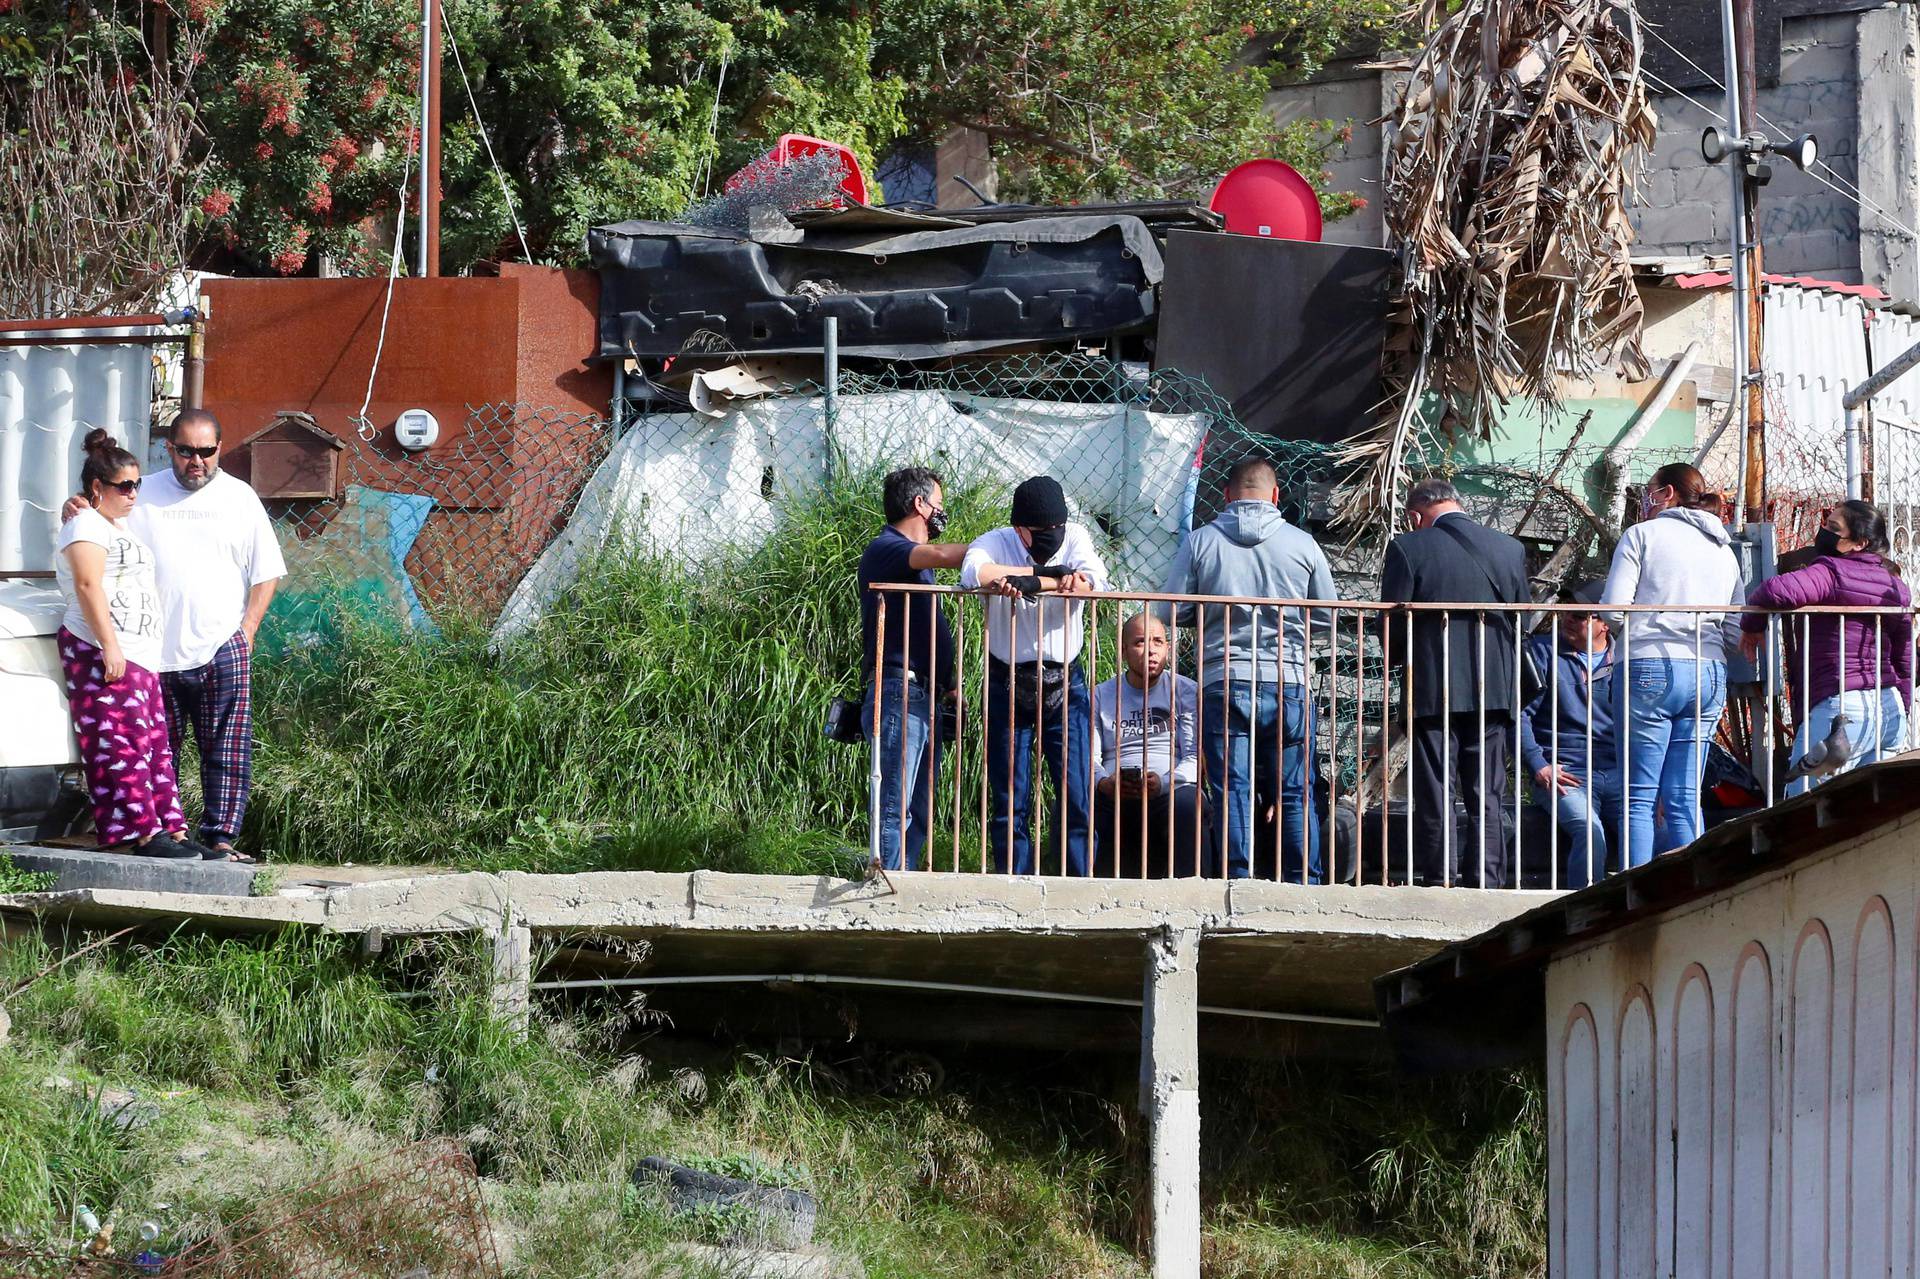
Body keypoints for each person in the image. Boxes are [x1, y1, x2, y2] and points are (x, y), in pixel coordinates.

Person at [68, 410, 285, 860]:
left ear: (220, 449)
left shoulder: (239, 498)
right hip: (151, 651)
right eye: (186, 451)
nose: (196, 461)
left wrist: (247, 630)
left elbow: (267, 572)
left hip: (220, 642)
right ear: (170, 449)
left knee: (226, 748)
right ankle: (169, 835)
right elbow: (97, 519)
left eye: (206, 452)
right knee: (155, 750)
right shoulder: (141, 492)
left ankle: (221, 840)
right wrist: (75, 505)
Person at [1158, 457, 1336, 881]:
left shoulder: (1201, 541)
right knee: (1295, 792)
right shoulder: (1303, 544)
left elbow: (1170, 609)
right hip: (1290, 678)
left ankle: (1237, 881)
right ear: (1276, 496)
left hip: (1225, 677)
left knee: (1232, 788)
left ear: (1227, 496)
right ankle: (1303, 883)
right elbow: (1328, 617)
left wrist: (1207, 617)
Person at [55, 431, 201, 858]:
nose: (134, 493)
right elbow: (87, 584)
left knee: (152, 743)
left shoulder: (114, 525)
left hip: (139, 652)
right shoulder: (84, 524)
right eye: (125, 486)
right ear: (98, 487)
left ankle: (171, 830)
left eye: (137, 483)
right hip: (100, 647)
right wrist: (109, 645)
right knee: (120, 742)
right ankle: (141, 833)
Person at [1380, 477, 1530, 888]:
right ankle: (1487, 883)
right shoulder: (1510, 547)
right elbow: (1524, 619)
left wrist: (1395, 657)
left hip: (1432, 685)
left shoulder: (1408, 546)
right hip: (1494, 687)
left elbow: (1391, 624)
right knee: (1488, 793)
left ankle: (1439, 881)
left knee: (1436, 790)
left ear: (1415, 516)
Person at [961, 475, 1108, 875]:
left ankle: (1082, 884)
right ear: (1019, 529)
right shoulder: (996, 539)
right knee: (1011, 796)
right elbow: (973, 570)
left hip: (1066, 680)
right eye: (1041, 532)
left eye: (1056, 529)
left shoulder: (1076, 537)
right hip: (1007, 679)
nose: (1052, 537)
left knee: (1078, 792)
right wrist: (1048, 576)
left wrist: (1035, 580)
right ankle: (1014, 885)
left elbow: (1092, 581)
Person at [1600, 462, 1744, 866]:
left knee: (1638, 795)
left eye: (1649, 491)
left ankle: (1632, 898)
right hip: (1710, 670)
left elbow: (1613, 610)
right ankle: (1693, 893)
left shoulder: (1642, 535)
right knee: (1683, 795)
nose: (1644, 500)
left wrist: (1626, 635)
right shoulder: (1723, 549)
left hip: (1650, 662)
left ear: (1666, 494)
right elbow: (1734, 625)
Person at [1739, 499, 1911, 795]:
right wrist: (1903, 707)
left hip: (1841, 707)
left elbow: (1773, 590)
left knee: (1799, 808)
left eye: (1833, 528)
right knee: (1870, 810)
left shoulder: (1832, 572)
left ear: (1859, 543)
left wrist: (1752, 627)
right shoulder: (1894, 586)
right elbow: (1904, 657)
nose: (1823, 532)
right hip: (1888, 708)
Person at [858, 466, 970, 870]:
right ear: (919, 504)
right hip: (897, 694)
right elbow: (941, 554)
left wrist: (951, 685)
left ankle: (903, 877)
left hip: (925, 695)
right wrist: (995, 553)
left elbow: (929, 631)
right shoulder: (886, 547)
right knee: (894, 803)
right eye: (938, 503)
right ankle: (883, 883)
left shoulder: (918, 568)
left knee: (919, 809)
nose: (943, 511)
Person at [1089, 613, 1210, 877]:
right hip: (1112, 789)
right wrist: (1105, 783)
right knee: (1073, 802)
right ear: (1123, 650)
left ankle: (1193, 892)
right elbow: (1090, 757)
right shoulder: (1100, 694)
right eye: (1140, 642)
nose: (1151, 651)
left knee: (1190, 803)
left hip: (1170, 790)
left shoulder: (1186, 690)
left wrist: (1164, 783)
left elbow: (1193, 757)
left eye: (1158, 641)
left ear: (1168, 647)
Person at [1517, 583, 1619, 888]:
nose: (1568, 620)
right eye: (1565, 612)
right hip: (1565, 772)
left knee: (1654, 833)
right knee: (1590, 833)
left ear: (1605, 623)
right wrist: (1539, 765)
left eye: (1578, 614)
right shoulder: (1542, 652)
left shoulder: (1627, 659)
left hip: (1617, 772)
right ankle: (1585, 920)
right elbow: (1518, 715)